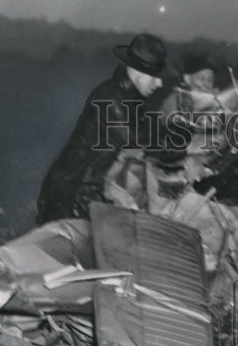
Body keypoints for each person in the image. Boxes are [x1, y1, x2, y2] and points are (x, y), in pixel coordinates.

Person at [36, 33, 175, 223]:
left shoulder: (135, 101)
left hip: (90, 189)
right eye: (155, 77)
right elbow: (137, 143)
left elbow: (153, 133)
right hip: (71, 195)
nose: (159, 83)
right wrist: (183, 146)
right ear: (138, 72)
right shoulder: (110, 98)